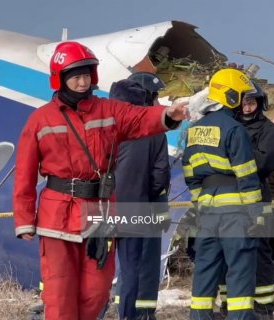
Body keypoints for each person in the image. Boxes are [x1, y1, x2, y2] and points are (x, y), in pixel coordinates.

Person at [13, 41, 188, 320]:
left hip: (98, 213)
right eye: (75, 77)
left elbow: (138, 118)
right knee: (59, 294)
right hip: (57, 214)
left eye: (86, 76)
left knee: (96, 292)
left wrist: (167, 115)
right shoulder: (39, 120)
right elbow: (24, 172)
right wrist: (24, 219)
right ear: (60, 79)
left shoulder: (109, 110)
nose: (82, 83)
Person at [182, 68, 263, 320]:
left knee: (205, 268)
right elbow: (247, 175)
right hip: (236, 211)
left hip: (207, 210)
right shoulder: (234, 129)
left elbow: (189, 173)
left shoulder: (194, 130)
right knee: (239, 269)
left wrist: (201, 204)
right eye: (241, 96)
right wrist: (256, 215)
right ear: (231, 96)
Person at [217, 81, 274, 320]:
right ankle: (229, 305)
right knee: (227, 252)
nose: (247, 108)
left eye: (251, 102)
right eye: (243, 103)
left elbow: (262, 164)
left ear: (260, 103)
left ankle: (263, 307)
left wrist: (230, 162)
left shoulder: (271, 133)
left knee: (258, 252)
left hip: (256, 199)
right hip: (227, 199)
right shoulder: (229, 127)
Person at [106, 72, 171, 320]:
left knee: (97, 265)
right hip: (137, 207)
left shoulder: (103, 125)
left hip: (101, 206)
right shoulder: (155, 132)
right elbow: (160, 175)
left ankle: (96, 312)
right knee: (132, 266)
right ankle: (129, 316)